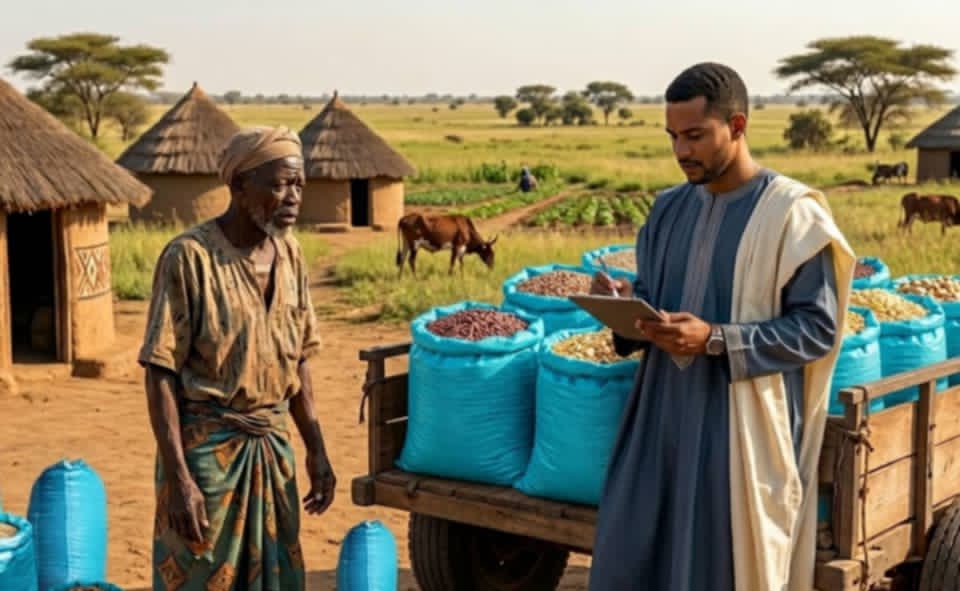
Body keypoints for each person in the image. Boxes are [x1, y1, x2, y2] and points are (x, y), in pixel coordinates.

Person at [588, 63, 856, 591]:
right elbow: (653, 300)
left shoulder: (791, 215)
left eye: (694, 136)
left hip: (739, 429)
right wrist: (623, 306)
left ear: (736, 126)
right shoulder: (666, 210)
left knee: (720, 567)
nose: (682, 151)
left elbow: (817, 329)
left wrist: (715, 338)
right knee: (631, 551)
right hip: (659, 417)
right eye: (673, 138)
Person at [138, 125, 336, 591]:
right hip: (207, 457)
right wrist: (180, 480)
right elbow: (160, 372)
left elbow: (299, 359)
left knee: (277, 578)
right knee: (201, 577)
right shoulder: (189, 258)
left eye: (300, 185)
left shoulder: (291, 255)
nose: (293, 197)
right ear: (239, 186)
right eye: (280, 183)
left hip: (273, 449)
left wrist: (317, 448)